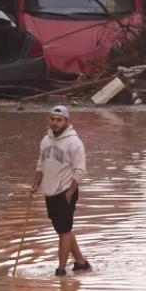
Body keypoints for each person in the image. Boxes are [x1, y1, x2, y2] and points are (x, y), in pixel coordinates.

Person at [31, 105, 90, 276]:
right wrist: (35, 185)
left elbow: (80, 171)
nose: (55, 123)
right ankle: (81, 262)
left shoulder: (74, 142)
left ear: (66, 121)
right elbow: (40, 166)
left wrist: (69, 193)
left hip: (65, 191)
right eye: (52, 119)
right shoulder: (45, 140)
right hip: (49, 191)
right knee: (63, 229)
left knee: (63, 231)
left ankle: (61, 269)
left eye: (59, 120)